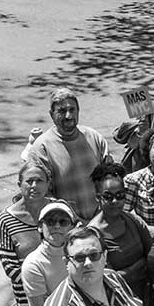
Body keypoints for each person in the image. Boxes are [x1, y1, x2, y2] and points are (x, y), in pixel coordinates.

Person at [29, 87, 111, 221]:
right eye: (62, 111)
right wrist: (73, 221)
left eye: (72, 110)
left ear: (78, 111)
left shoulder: (95, 138)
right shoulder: (42, 148)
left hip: (101, 222)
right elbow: (42, 194)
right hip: (64, 227)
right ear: (51, 114)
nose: (69, 116)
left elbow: (110, 179)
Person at [0, 159, 54, 306]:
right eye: (29, 181)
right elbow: (10, 268)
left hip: (62, 293)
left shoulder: (58, 209)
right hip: (29, 299)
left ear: (48, 184)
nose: (34, 186)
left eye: (40, 180)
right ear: (20, 184)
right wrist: (40, 290)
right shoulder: (6, 220)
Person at [88, 161, 153, 302]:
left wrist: (132, 270)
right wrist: (141, 265)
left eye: (120, 195)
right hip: (117, 300)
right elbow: (107, 277)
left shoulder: (134, 221)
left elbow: (152, 254)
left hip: (145, 294)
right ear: (97, 197)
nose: (115, 201)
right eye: (108, 196)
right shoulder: (92, 235)